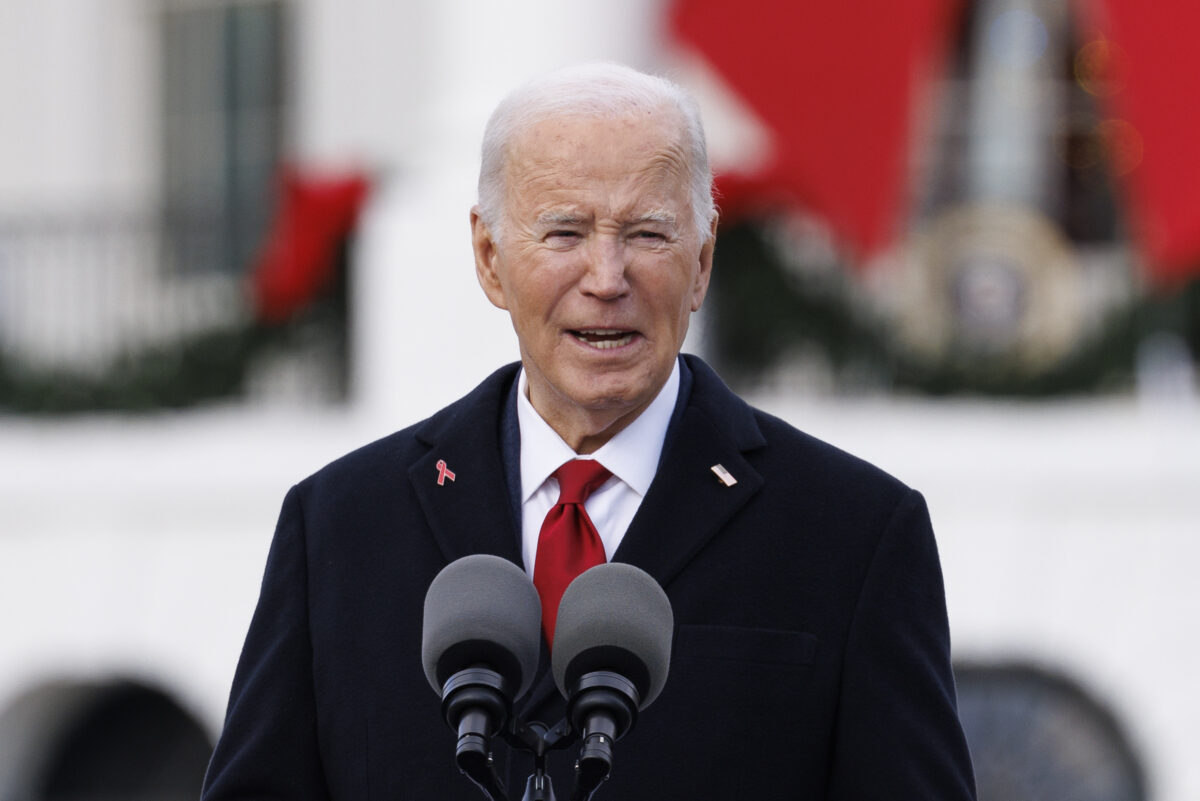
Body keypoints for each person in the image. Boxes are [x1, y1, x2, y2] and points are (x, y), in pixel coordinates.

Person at [201, 62, 976, 800]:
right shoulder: (341, 524)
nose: (607, 278)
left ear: (702, 261)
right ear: (489, 257)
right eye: (566, 233)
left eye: (647, 234)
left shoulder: (854, 534)